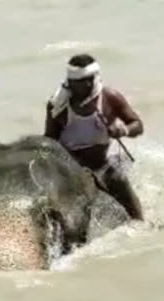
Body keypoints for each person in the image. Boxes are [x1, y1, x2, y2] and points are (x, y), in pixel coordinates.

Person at [43, 53, 145, 221]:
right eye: (82, 82)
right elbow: (50, 140)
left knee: (117, 178)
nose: (89, 84)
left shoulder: (110, 98)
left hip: (101, 161)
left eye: (91, 79)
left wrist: (123, 130)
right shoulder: (57, 106)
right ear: (71, 83)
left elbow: (137, 124)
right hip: (70, 164)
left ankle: (140, 221)